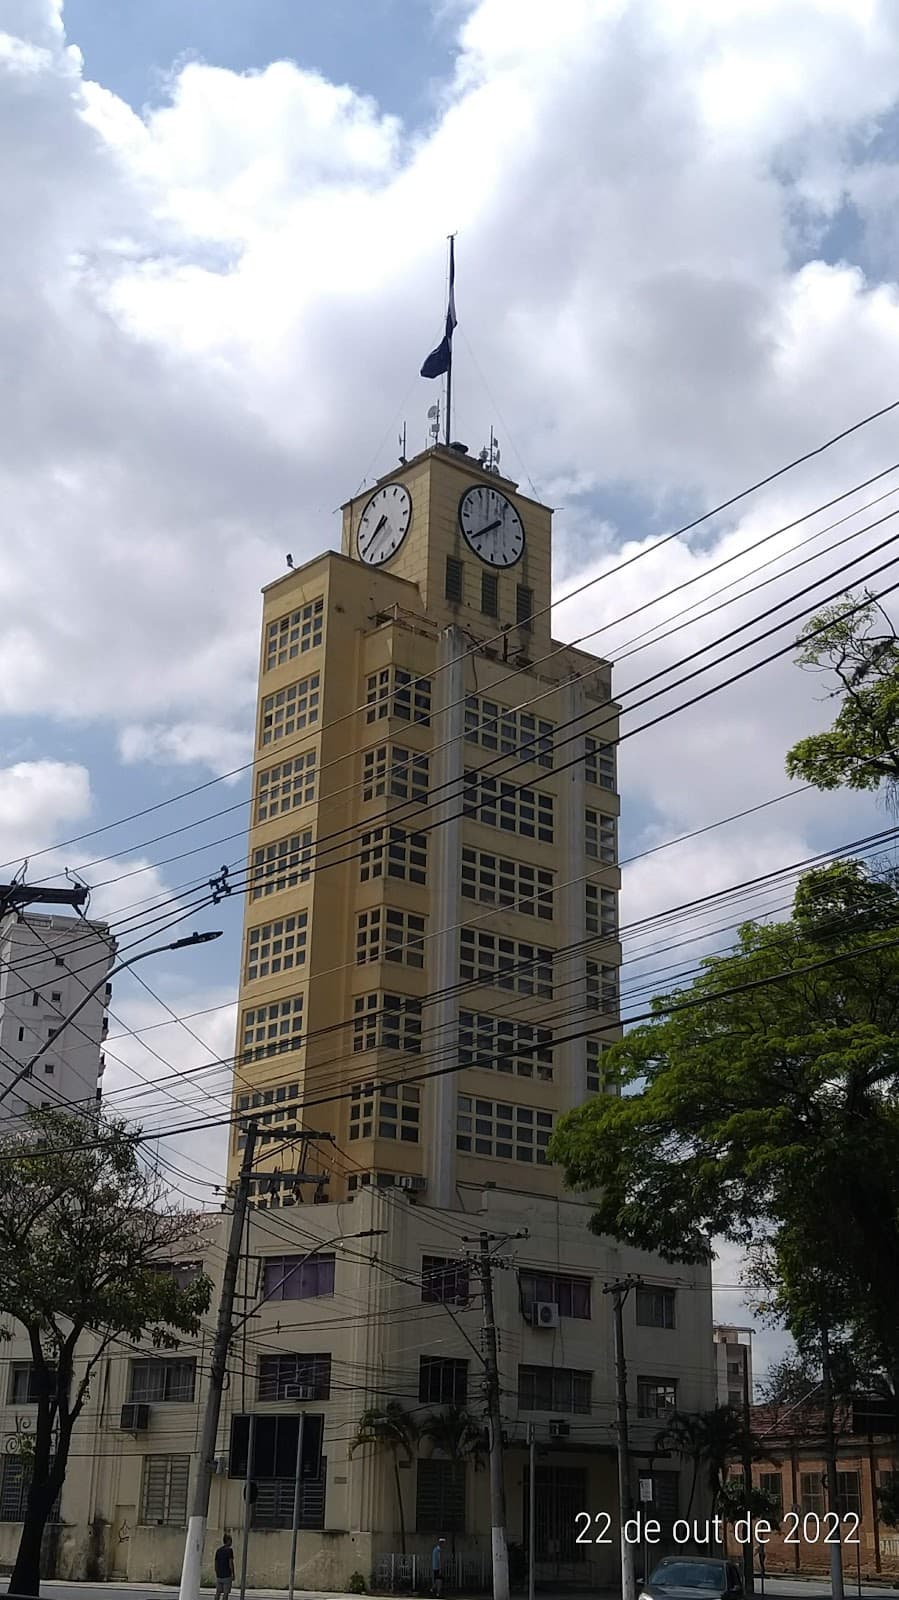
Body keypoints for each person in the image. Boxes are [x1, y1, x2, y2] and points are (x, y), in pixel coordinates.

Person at [214, 1532, 235, 1600]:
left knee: (218, 1592)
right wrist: (232, 1574)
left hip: (219, 1575)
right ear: (228, 1541)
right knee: (226, 1593)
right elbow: (230, 1563)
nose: (231, 1542)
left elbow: (216, 1563)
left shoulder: (218, 1550)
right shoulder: (229, 1550)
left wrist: (217, 1572)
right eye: (231, 1540)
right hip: (227, 1575)